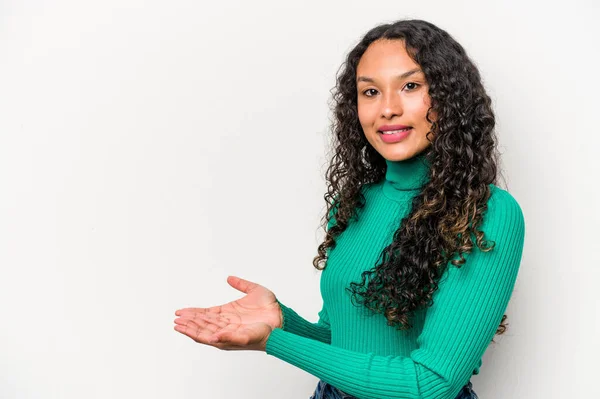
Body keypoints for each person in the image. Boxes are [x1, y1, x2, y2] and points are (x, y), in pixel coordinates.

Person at [173, 19, 525, 399]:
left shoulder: (487, 213)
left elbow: (431, 385)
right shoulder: (356, 202)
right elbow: (344, 341)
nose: (387, 108)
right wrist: (281, 323)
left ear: (448, 97)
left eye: (410, 86)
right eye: (370, 91)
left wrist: (273, 342)